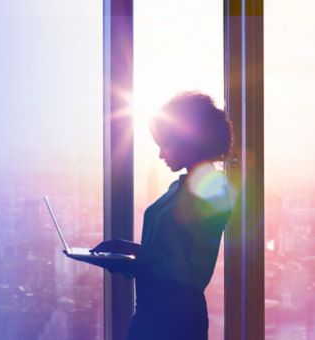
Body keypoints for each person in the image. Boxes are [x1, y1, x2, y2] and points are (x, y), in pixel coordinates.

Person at [91, 92, 234, 340]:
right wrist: (125, 254)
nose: (160, 155)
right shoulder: (177, 187)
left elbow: (195, 275)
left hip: (177, 322)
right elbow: (164, 255)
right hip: (151, 313)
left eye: (164, 145)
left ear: (190, 140)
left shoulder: (213, 193)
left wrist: (135, 253)